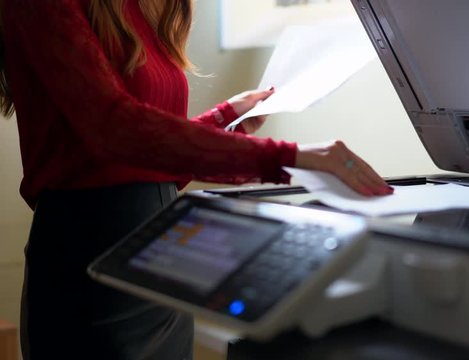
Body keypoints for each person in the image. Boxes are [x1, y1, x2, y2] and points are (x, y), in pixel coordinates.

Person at [0, 0, 393, 359]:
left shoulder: (142, 7)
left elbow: (149, 160)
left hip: (161, 253)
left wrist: (225, 120)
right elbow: (113, 130)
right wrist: (290, 155)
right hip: (88, 257)